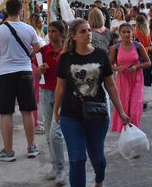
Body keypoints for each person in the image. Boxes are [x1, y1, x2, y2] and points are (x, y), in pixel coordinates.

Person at [53, 19, 130, 187]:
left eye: (88, 30)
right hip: (70, 114)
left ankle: (99, 179)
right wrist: (55, 110)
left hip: (97, 113)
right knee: (77, 159)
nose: (88, 33)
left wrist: (121, 112)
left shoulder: (100, 54)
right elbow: (60, 87)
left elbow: (110, 85)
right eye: (83, 31)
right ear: (73, 36)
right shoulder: (66, 58)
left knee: (98, 158)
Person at [0, 0, 42, 162]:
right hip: (25, 72)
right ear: (20, 10)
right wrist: (29, 56)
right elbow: (38, 51)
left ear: (6, 10)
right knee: (27, 111)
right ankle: (31, 147)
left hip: (5, 74)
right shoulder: (29, 29)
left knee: (6, 113)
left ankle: (8, 151)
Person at [38, 21, 68, 186]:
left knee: (55, 134)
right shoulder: (43, 51)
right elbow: (35, 68)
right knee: (49, 133)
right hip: (45, 93)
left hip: (62, 95)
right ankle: (55, 167)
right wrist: (39, 70)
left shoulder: (68, 52)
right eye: (49, 31)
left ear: (62, 33)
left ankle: (62, 169)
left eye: (54, 31)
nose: (51, 34)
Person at [109, 23, 150, 131]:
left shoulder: (138, 46)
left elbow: (148, 62)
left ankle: (134, 130)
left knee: (135, 108)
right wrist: (117, 68)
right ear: (120, 33)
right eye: (124, 32)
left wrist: (137, 66)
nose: (126, 34)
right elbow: (109, 64)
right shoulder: (115, 48)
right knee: (124, 106)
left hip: (137, 79)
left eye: (129, 31)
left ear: (133, 33)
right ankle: (125, 131)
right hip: (123, 80)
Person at [29, 13, 46, 132]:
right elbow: (34, 52)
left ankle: (34, 120)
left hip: (39, 65)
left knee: (37, 95)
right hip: (35, 66)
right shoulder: (33, 34)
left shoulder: (39, 33)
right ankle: (33, 122)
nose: (42, 23)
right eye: (39, 22)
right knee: (34, 95)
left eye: (42, 21)